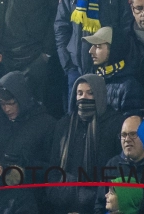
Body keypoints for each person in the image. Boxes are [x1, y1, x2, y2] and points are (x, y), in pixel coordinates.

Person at [46, 73, 124, 214]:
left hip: (97, 205)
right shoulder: (64, 124)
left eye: (90, 93)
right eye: (79, 93)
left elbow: (116, 168)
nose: (83, 98)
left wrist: (95, 199)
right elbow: (54, 166)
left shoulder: (115, 123)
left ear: (99, 95)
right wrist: (55, 194)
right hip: (63, 204)